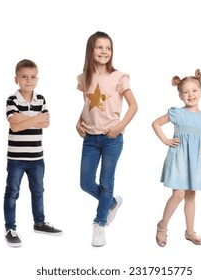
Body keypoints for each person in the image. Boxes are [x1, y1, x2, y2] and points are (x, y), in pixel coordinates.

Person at [76, 31, 138, 247]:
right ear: (91, 50)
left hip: (112, 138)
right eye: (99, 47)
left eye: (108, 48)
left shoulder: (120, 77)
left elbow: (134, 106)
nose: (104, 51)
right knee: (85, 182)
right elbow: (87, 105)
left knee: (106, 181)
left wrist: (119, 127)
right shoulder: (84, 78)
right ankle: (110, 203)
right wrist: (78, 122)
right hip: (90, 139)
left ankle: (100, 223)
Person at [153, 69, 201, 247]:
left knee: (191, 196)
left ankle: (190, 231)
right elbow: (156, 123)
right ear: (181, 96)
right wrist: (166, 140)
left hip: (195, 160)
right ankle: (162, 226)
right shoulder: (177, 113)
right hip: (179, 157)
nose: (190, 94)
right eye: (186, 92)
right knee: (178, 193)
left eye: (194, 90)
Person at [4, 59, 62, 248]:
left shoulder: (41, 99)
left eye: (33, 77)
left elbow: (46, 123)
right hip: (16, 158)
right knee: (12, 193)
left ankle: (39, 222)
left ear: (37, 79)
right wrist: (36, 118)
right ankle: (10, 228)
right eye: (24, 77)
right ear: (16, 79)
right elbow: (14, 125)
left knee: (38, 191)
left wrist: (25, 119)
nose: (29, 81)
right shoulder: (12, 100)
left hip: (37, 157)